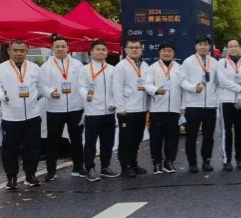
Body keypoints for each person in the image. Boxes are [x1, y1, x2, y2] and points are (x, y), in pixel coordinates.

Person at [181, 37, 241, 173]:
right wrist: (193, 88)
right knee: (191, 135)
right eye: (200, 44)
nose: (202, 47)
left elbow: (219, 81)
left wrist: (237, 85)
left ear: (210, 47)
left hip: (210, 105)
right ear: (195, 46)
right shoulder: (188, 61)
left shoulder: (215, 62)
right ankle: (192, 162)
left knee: (208, 136)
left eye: (205, 45)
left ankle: (206, 161)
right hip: (193, 104)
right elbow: (183, 81)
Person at [0, 40, 42, 189]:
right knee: (10, 148)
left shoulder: (35, 68)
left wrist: (38, 96)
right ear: (9, 51)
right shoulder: (0, 68)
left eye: (22, 50)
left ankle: (30, 175)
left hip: (32, 115)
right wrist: (2, 96)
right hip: (11, 116)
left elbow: (41, 85)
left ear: (27, 51)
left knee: (33, 148)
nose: (19, 53)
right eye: (15, 50)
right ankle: (11, 177)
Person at [39, 36, 85, 180]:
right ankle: (51, 171)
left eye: (63, 46)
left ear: (68, 48)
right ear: (52, 48)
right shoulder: (46, 66)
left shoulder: (77, 64)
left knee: (76, 139)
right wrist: (49, 92)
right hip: (54, 108)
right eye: (57, 46)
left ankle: (78, 167)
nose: (60, 49)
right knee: (52, 140)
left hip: (75, 107)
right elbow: (41, 85)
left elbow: (83, 83)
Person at [78, 40, 119, 182]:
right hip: (92, 112)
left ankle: (105, 167)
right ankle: (90, 168)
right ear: (91, 52)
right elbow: (81, 86)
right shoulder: (85, 69)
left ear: (107, 52)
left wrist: (114, 103)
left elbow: (117, 89)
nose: (101, 52)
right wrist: (86, 95)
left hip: (109, 112)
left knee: (107, 142)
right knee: (90, 143)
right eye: (98, 49)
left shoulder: (113, 70)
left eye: (103, 49)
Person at [113, 38, 150, 178]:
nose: (134, 50)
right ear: (126, 50)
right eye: (131, 47)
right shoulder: (121, 66)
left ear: (141, 49)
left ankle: (134, 163)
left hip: (141, 108)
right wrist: (120, 108)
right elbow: (117, 88)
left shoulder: (144, 65)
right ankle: (125, 166)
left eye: (137, 47)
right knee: (126, 140)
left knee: (137, 138)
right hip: (127, 110)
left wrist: (148, 107)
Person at [145, 42, 184, 175]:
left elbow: (183, 87)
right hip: (157, 109)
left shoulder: (179, 68)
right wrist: (156, 90)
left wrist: (182, 107)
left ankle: (169, 161)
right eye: (164, 51)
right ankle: (157, 162)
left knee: (172, 137)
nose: (166, 53)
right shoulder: (152, 67)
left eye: (169, 51)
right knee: (156, 138)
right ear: (159, 52)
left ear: (174, 53)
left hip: (174, 109)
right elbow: (147, 84)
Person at [218, 39, 241, 170]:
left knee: (240, 131)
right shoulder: (222, 62)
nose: (233, 48)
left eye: (235, 46)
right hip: (226, 100)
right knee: (227, 131)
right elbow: (222, 81)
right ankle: (227, 160)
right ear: (227, 48)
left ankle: (239, 158)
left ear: (239, 47)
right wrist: (239, 88)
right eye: (230, 46)